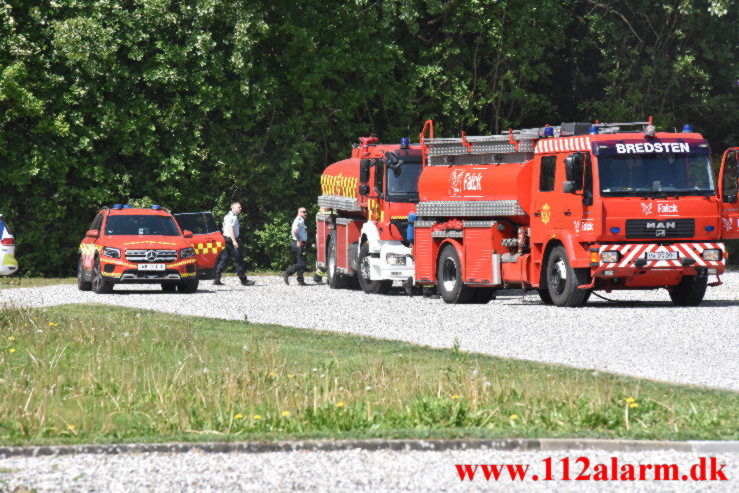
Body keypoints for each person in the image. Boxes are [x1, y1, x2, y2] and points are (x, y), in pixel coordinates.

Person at [214, 202, 255, 286]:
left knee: (224, 258)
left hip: (226, 239)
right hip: (232, 240)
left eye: (240, 207)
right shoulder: (233, 217)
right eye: (239, 207)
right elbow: (230, 229)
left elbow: (223, 228)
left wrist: (227, 237)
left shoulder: (227, 216)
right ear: (233, 208)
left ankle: (217, 278)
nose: (240, 208)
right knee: (239, 259)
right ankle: (244, 280)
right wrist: (234, 241)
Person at [282, 207, 308, 285]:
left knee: (300, 261)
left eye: (305, 212)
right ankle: (287, 272)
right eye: (303, 212)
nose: (305, 213)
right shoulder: (299, 220)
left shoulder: (301, 220)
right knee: (303, 262)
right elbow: (295, 230)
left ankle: (300, 280)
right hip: (299, 243)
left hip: (298, 242)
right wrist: (299, 241)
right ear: (299, 212)